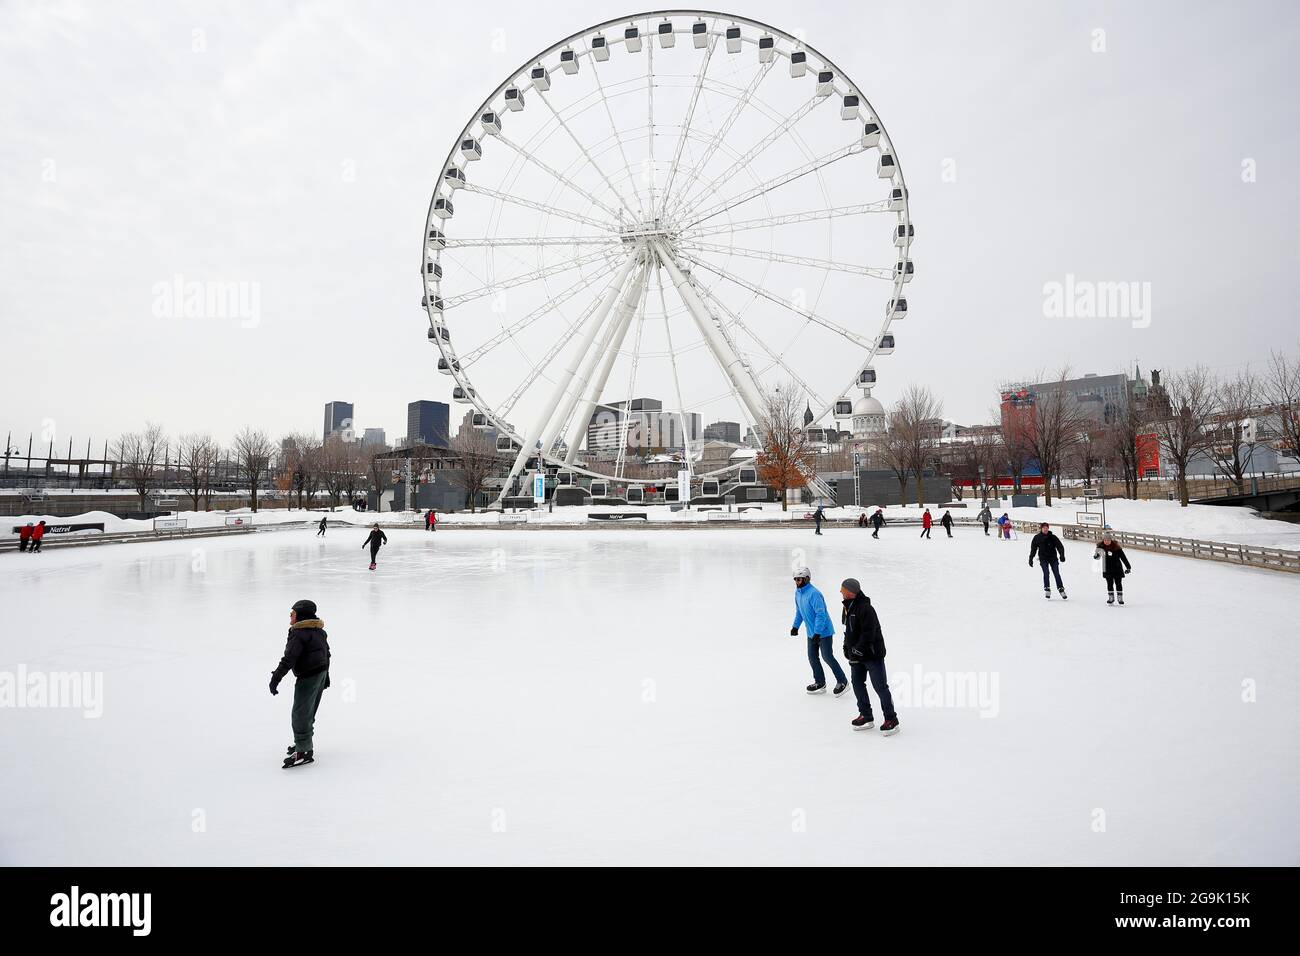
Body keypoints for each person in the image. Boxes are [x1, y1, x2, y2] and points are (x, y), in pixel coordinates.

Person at [270, 599, 331, 768]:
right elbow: (327, 653)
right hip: (320, 672)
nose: (290, 616)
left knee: (300, 714)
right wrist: (326, 676)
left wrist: (276, 678)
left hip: (309, 676)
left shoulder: (299, 634)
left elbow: (289, 659)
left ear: (301, 615)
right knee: (307, 712)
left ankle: (304, 751)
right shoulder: (318, 631)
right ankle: (303, 743)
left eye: (293, 613)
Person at [840, 578, 899, 736]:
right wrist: (846, 647)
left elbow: (869, 634)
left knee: (880, 687)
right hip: (856, 656)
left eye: (843, 589)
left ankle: (891, 719)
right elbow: (849, 631)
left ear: (851, 591)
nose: (840, 592)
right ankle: (866, 716)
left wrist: (858, 650)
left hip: (872, 655)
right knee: (858, 684)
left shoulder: (866, 609)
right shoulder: (848, 607)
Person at [790, 566, 847, 697]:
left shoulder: (814, 594)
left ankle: (843, 681)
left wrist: (817, 632)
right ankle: (820, 682)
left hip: (823, 632)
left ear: (807, 579)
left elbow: (821, 615)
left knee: (827, 657)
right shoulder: (798, 593)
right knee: (812, 657)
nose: (797, 582)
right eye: (796, 580)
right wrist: (795, 626)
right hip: (812, 633)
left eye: (800, 579)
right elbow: (799, 611)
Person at [1028, 522, 1067, 599]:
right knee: (1046, 572)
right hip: (1043, 558)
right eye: (1044, 528)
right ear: (1041, 529)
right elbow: (1033, 549)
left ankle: (1061, 589)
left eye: (1046, 528)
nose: (1045, 529)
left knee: (1056, 573)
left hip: (1053, 558)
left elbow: (1060, 546)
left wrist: (1062, 555)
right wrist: (1031, 558)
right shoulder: (1037, 537)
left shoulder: (1052, 537)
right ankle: (1047, 588)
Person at [1093, 532, 1133, 605]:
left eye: (1108, 540)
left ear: (1111, 540)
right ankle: (1111, 598)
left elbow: (1123, 558)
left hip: (1117, 568)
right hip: (1107, 568)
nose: (1106, 541)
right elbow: (1097, 557)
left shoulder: (1116, 547)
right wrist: (1096, 556)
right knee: (1109, 584)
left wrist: (1128, 567)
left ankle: (1120, 597)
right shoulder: (1101, 546)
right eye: (1105, 540)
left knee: (1118, 583)